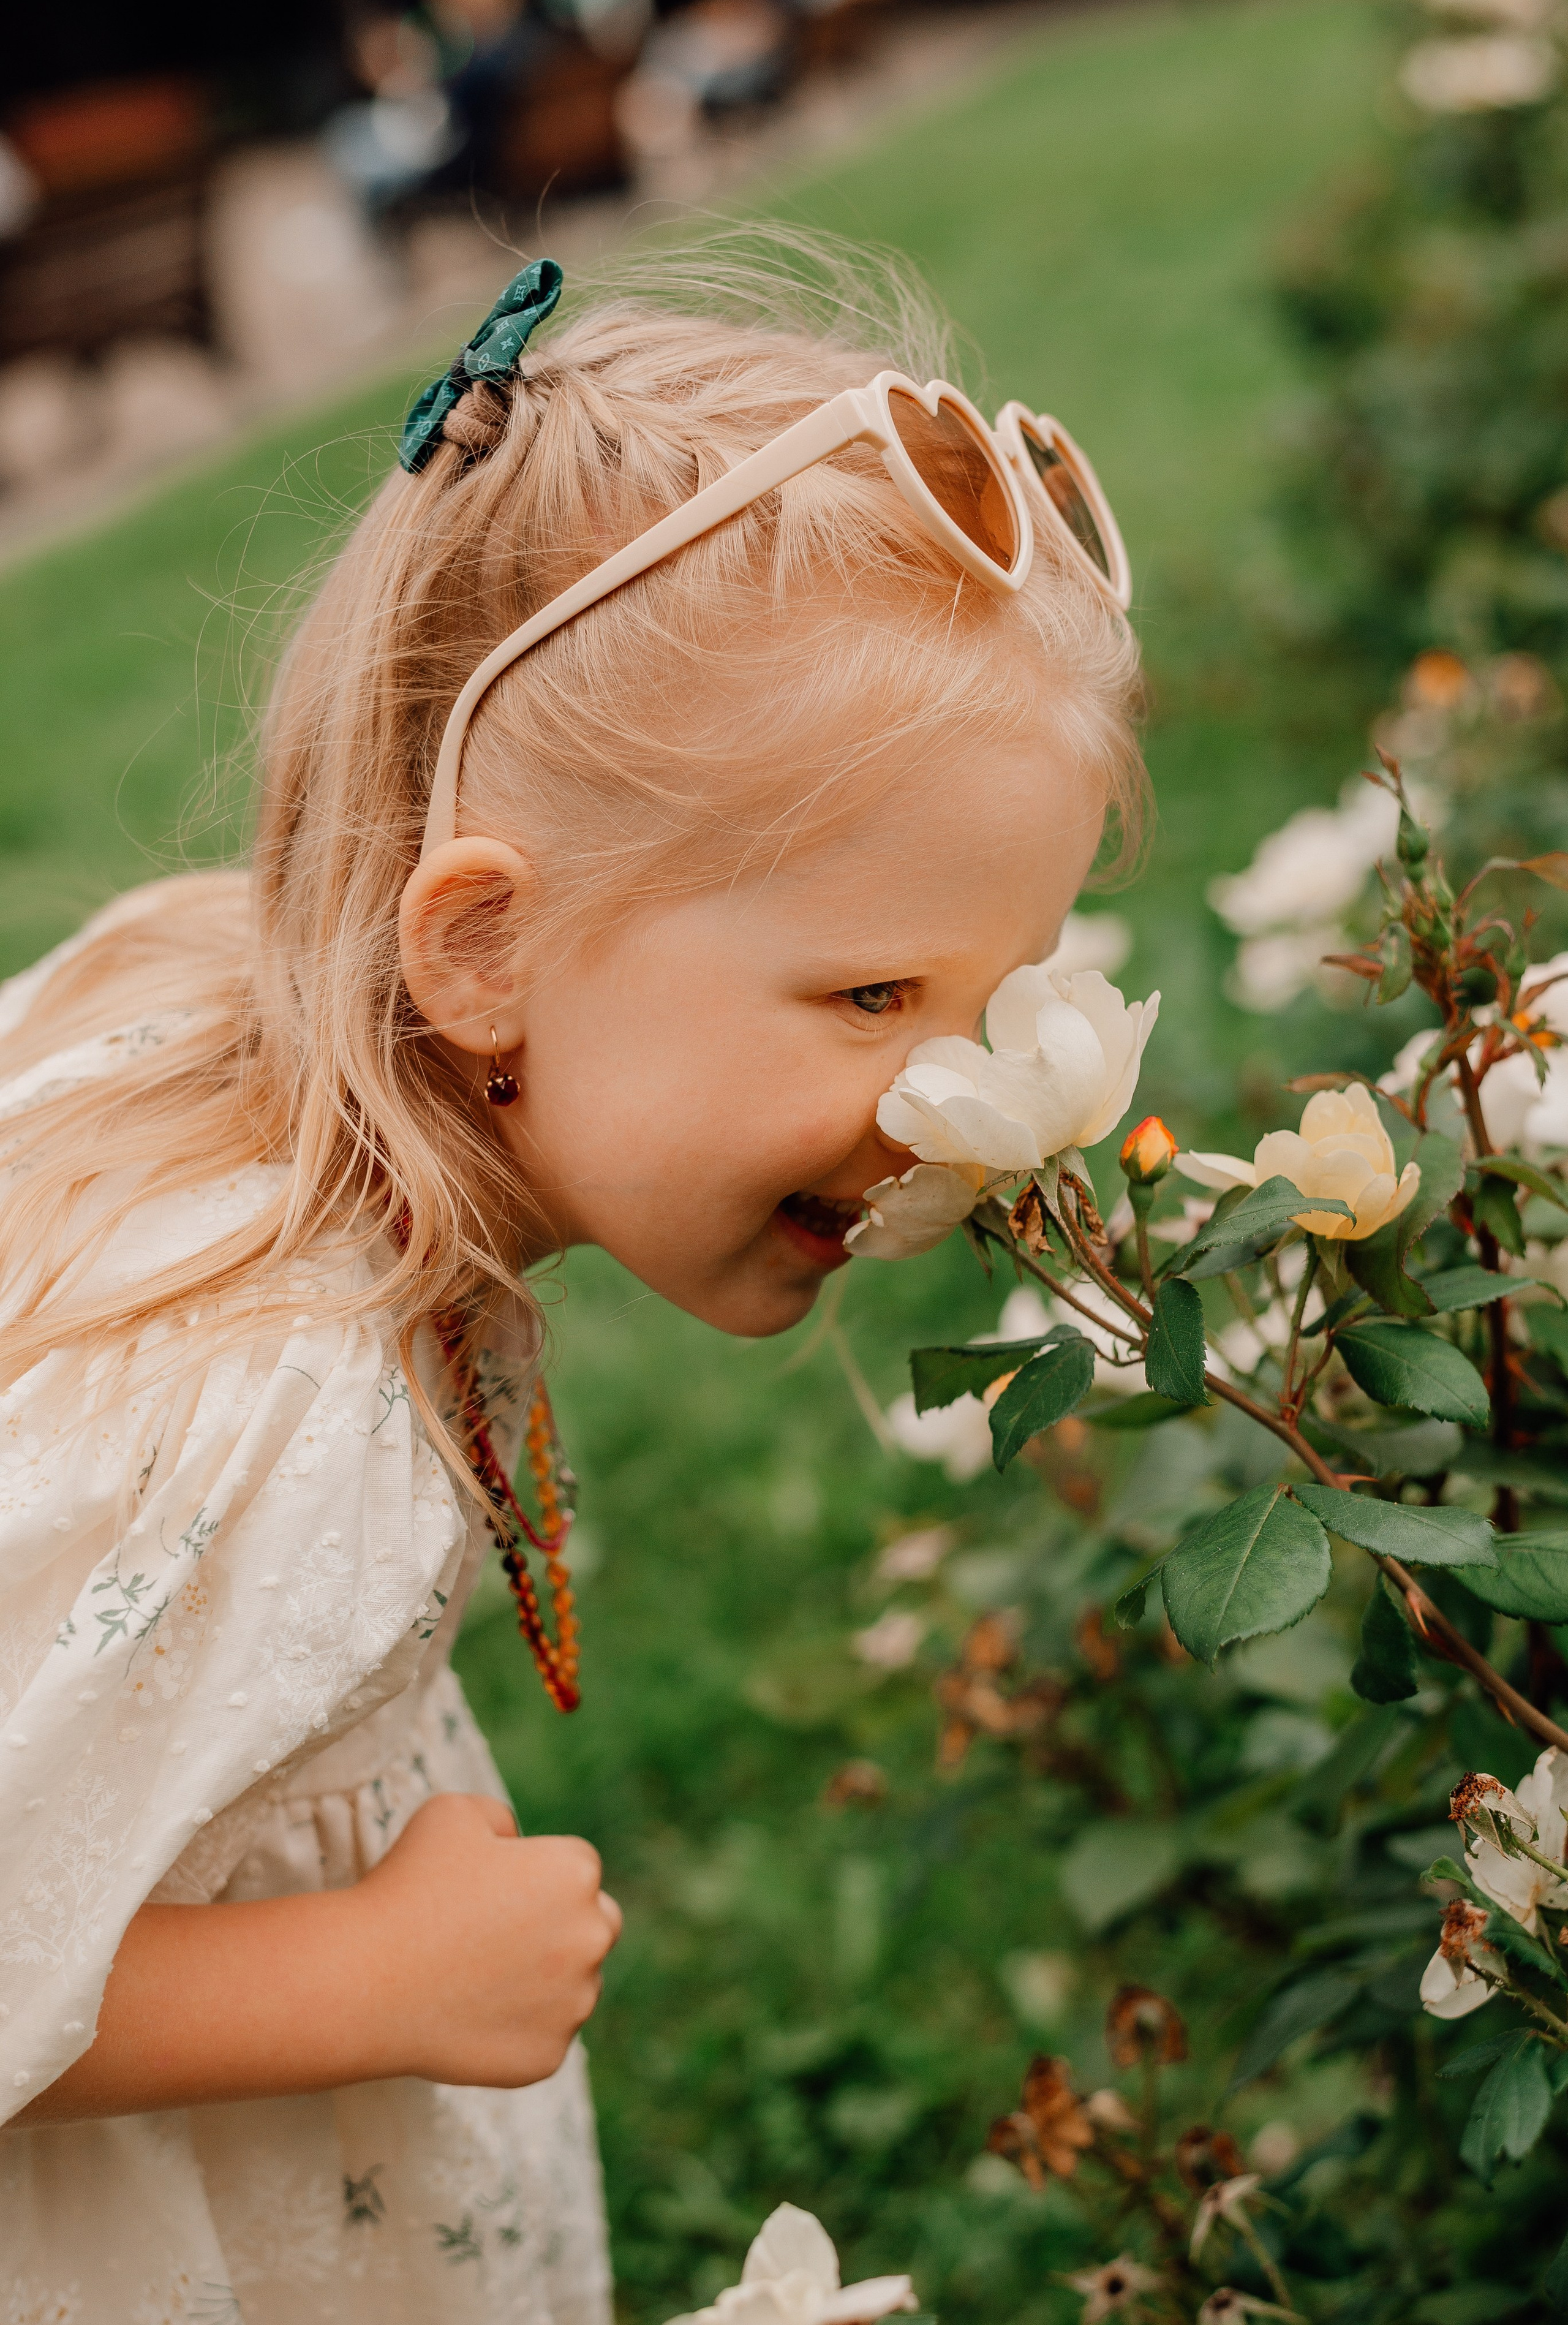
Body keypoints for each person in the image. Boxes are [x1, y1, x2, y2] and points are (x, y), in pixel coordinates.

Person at [0, 232, 1144, 2320]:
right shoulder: (276, 1404)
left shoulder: (217, 1012)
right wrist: (366, 1973)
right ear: (482, 950)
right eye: (872, 987)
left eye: (1004, 991)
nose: (952, 1090)